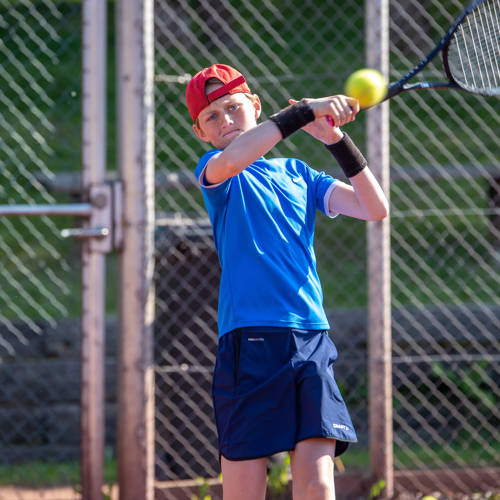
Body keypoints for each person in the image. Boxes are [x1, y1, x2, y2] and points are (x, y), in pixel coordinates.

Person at [185, 63, 389, 500]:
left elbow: (374, 208)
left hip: (310, 340)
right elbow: (235, 158)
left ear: (255, 106)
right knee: (244, 489)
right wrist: (299, 114)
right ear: (201, 133)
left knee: (317, 484)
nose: (226, 122)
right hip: (249, 342)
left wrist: (335, 139)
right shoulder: (217, 170)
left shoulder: (298, 174)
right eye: (212, 117)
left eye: (234, 108)